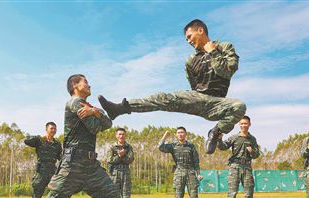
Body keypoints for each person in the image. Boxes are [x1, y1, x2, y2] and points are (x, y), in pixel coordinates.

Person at [6, 74, 123, 198]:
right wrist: (96, 113)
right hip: (72, 165)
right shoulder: (74, 103)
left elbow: (108, 123)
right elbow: (95, 127)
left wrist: (95, 112)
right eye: (85, 81)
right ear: (75, 86)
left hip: (91, 166)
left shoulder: (88, 107)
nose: (89, 83)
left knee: (113, 197)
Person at [98, 19, 246, 155]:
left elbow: (227, 71)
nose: (188, 41)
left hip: (218, 103)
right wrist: (190, 101)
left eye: (189, 36)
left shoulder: (224, 47)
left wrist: (212, 51)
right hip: (198, 99)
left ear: (200, 30)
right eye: (186, 38)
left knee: (239, 106)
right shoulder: (190, 61)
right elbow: (194, 86)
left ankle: (215, 133)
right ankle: (120, 108)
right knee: (163, 99)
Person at [217, 116, 260, 198]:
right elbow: (223, 147)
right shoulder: (234, 137)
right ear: (239, 125)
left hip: (247, 168)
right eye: (242, 123)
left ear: (249, 124)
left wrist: (252, 151)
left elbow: (257, 155)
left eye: (246, 123)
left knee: (249, 193)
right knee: (232, 193)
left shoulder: (252, 139)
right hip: (234, 167)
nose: (244, 125)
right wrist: (219, 139)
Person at [24, 122, 68, 198]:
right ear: (46, 129)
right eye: (51, 128)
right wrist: (39, 137)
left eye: (55, 129)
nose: (53, 130)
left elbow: (60, 158)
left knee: (56, 196)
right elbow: (26, 140)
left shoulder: (57, 144)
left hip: (52, 172)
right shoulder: (40, 141)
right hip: (41, 173)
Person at [158, 127, 204, 198]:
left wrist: (198, 174)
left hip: (190, 172)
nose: (180, 134)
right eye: (178, 133)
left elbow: (196, 161)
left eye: (182, 132)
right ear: (176, 135)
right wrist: (165, 136)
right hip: (179, 172)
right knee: (178, 196)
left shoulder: (191, 146)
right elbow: (160, 147)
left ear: (185, 134)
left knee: (194, 196)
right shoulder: (173, 146)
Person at [107, 128, 135, 198]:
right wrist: (119, 156)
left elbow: (130, 160)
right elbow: (110, 160)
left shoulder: (129, 147)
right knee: (114, 197)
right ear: (116, 136)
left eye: (123, 134)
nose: (121, 136)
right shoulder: (112, 147)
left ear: (125, 135)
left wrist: (123, 156)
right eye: (119, 134)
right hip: (114, 174)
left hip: (126, 174)